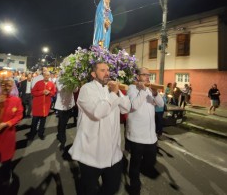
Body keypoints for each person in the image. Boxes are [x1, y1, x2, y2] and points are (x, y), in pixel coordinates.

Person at [69, 62, 131, 195]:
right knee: (89, 191)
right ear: (93, 74)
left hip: (113, 155)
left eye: (108, 70)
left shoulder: (112, 89)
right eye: (103, 70)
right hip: (91, 155)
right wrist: (113, 94)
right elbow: (98, 113)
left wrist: (118, 91)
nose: (107, 73)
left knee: (111, 188)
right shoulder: (87, 89)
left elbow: (126, 107)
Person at [126, 67, 164, 194]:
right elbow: (133, 106)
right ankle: (134, 186)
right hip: (137, 135)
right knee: (135, 162)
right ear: (138, 77)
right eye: (144, 75)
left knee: (150, 160)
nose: (148, 77)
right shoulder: (132, 88)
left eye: (149, 75)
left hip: (150, 136)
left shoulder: (150, 89)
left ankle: (138, 173)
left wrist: (155, 93)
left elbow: (160, 104)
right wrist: (142, 91)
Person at [29, 71, 56, 140]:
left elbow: (53, 93)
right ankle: (32, 134)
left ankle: (41, 134)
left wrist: (49, 92)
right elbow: (33, 92)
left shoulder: (51, 84)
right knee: (34, 121)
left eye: (48, 75)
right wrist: (42, 92)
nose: (46, 76)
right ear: (43, 76)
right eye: (45, 75)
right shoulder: (38, 83)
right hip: (37, 106)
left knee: (43, 122)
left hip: (46, 106)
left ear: (49, 76)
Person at [55, 79, 78, 151]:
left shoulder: (72, 79)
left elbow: (75, 90)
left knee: (63, 123)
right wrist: (68, 82)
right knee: (62, 124)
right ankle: (63, 141)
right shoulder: (59, 79)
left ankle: (59, 134)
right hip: (61, 106)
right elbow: (60, 88)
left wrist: (74, 83)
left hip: (70, 105)